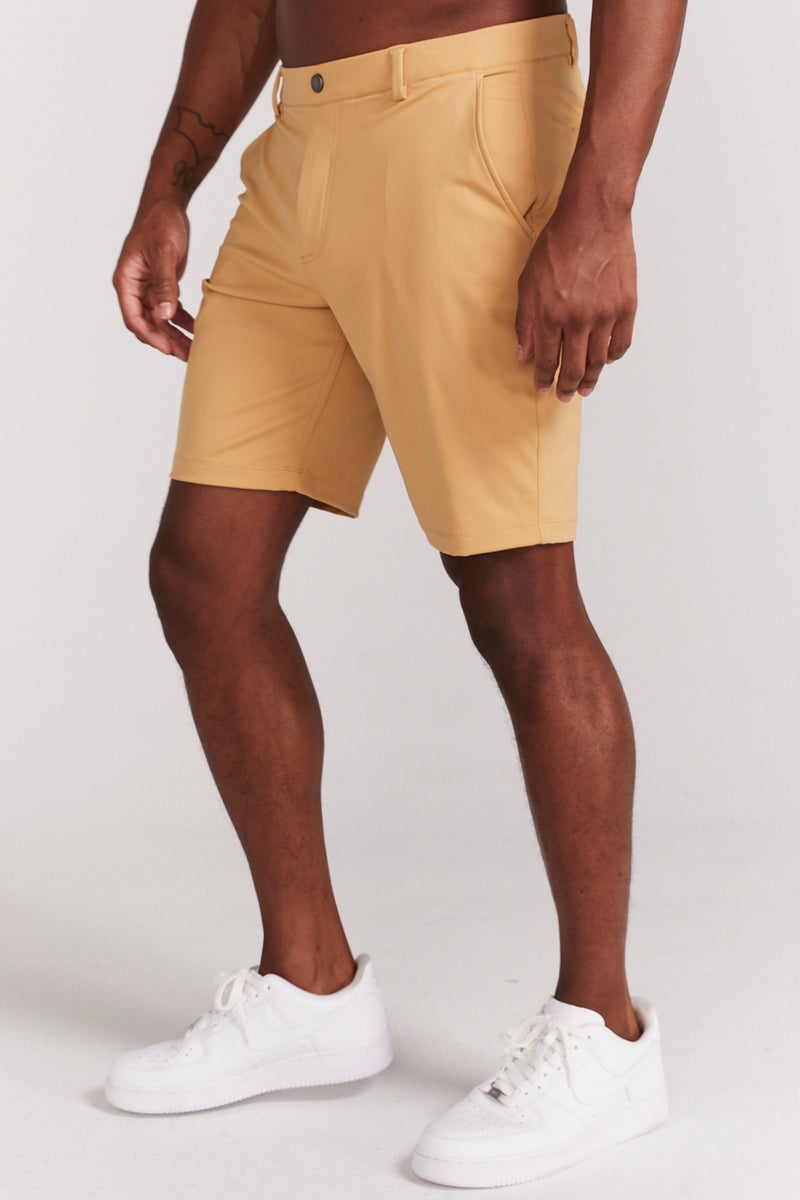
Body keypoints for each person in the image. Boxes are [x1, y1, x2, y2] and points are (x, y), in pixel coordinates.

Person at [108, 0, 687, 1186]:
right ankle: (308, 987)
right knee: (205, 571)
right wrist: (169, 184)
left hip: (470, 121)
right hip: (302, 146)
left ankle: (604, 1033)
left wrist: (601, 205)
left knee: (515, 597)